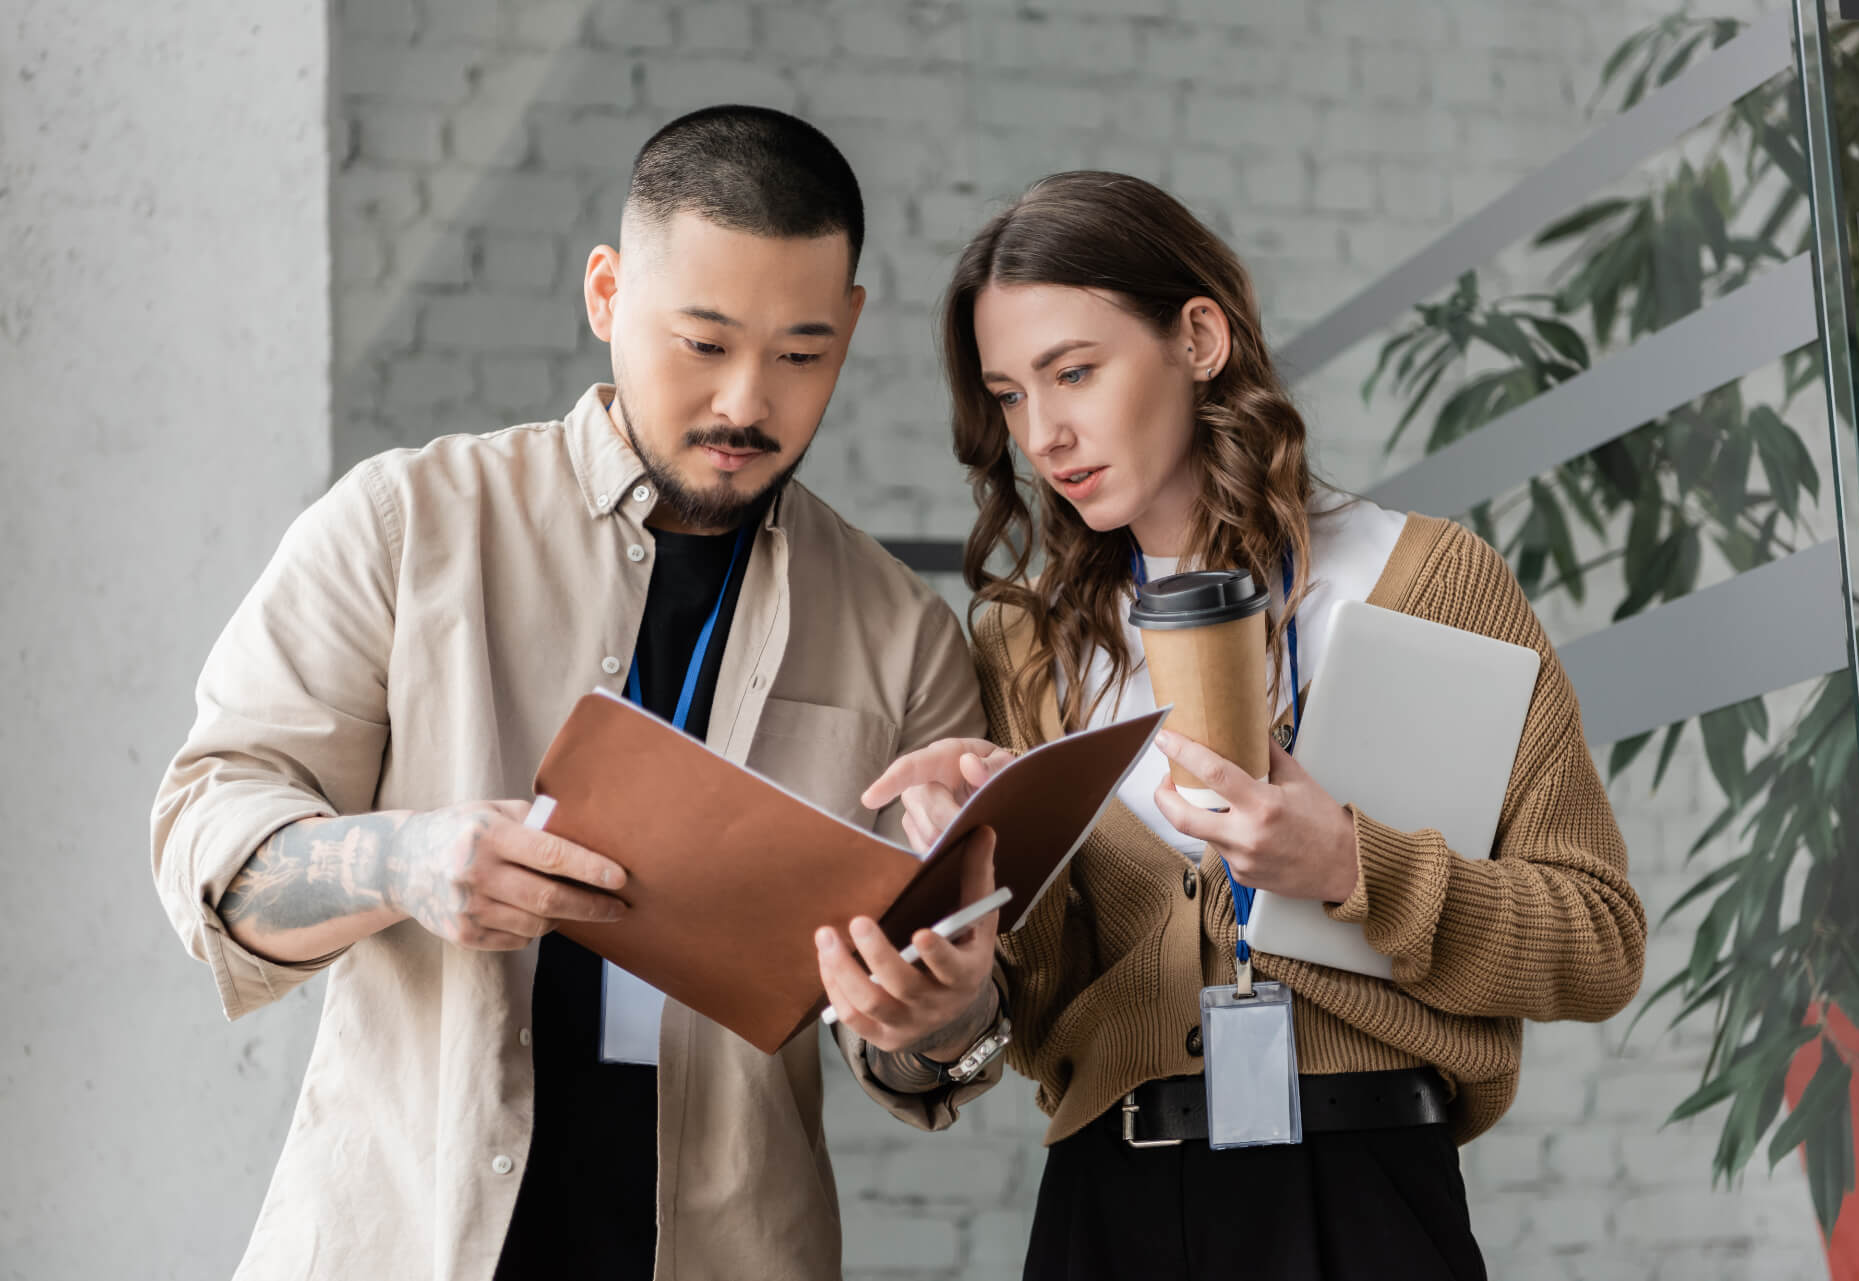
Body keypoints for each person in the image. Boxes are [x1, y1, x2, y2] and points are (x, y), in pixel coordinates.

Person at [150, 104, 987, 1281]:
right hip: (407, 1244)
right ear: (605, 295)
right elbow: (206, 842)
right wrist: (405, 861)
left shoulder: (903, 633)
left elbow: (927, 1051)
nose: (748, 402)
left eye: (803, 354)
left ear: (850, 327)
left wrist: (938, 1016)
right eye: (702, 343)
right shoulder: (404, 526)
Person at [814, 170, 1648, 1279]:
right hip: (1109, 1216)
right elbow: (1008, 1012)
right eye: (1011, 395)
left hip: (1369, 1204)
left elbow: (1597, 945)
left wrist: (1354, 865)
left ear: (1199, 336)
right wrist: (943, 996)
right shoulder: (1026, 648)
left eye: (1075, 372)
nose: (1045, 434)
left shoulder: (1428, 581)